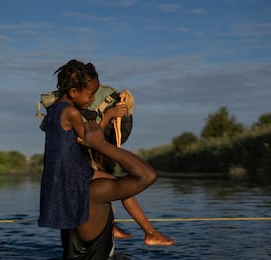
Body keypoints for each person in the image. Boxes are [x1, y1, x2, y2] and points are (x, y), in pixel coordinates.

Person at [38, 59, 174, 243]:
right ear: (73, 92)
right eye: (90, 95)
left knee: (113, 186)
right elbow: (91, 140)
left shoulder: (54, 109)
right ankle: (150, 234)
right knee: (122, 186)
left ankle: (135, 230)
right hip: (73, 172)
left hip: (60, 172)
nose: (92, 99)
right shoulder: (72, 113)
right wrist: (108, 115)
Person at [61, 121, 161, 260]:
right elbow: (148, 175)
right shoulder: (95, 191)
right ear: (99, 156)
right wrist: (102, 145)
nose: (114, 160)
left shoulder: (70, 188)